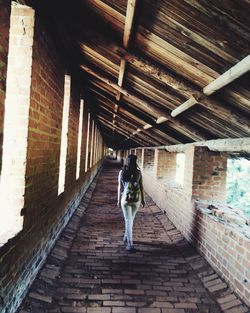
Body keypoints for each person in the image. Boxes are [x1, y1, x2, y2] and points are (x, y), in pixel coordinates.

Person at [117, 154, 145, 252]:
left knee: (129, 220)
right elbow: (141, 187)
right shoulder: (138, 172)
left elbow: (120, 187)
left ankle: (130, 245)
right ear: (136, 161)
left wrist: (118, 200)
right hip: (136, 199)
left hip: (125, 199)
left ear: (127, 161)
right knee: (130, 219)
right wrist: (143, 200)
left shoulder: (122, 172)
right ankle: (126, 238)